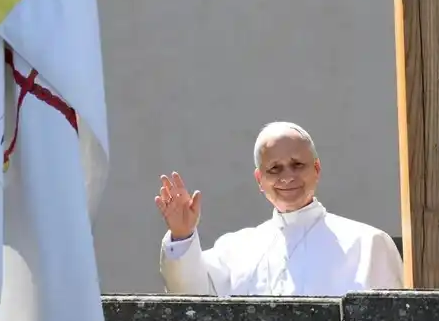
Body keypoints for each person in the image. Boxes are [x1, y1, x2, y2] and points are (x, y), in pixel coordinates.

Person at [156, 121, 403, 296]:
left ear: (316, 170)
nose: (287, 177)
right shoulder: (236, 249)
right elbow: (191, 299)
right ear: (259, 180)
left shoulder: (368, 244)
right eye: (274, 168)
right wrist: (182, 235)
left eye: (297, 164)